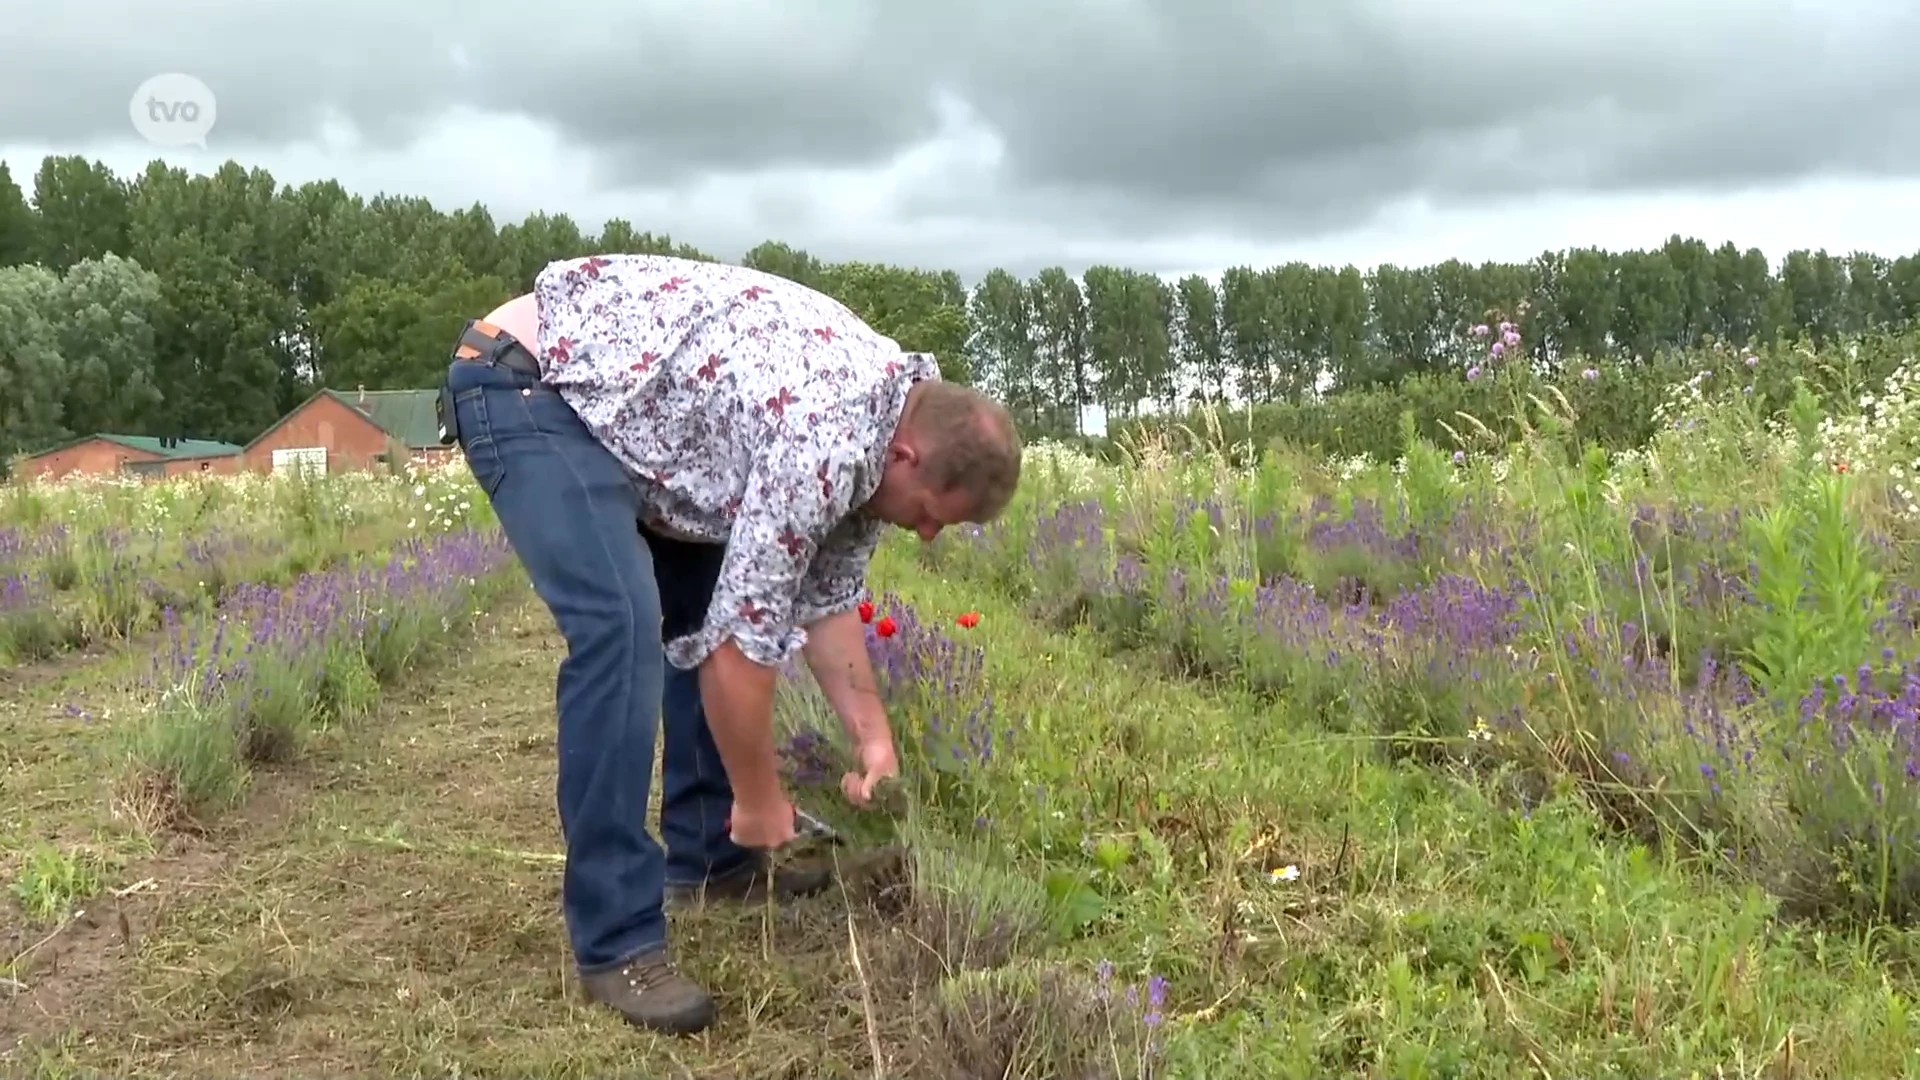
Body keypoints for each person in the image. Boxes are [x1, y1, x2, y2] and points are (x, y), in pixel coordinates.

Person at [436, 253, 1022, 1035]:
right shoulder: (831, 433)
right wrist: (760, 797)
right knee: (622, 625)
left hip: (633, 408)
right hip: (537, 384)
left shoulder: (887, 423)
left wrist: (873, 739)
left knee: (711, 598)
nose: (923, 533)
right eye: (930, 514)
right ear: (907, 458)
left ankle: (711, 863)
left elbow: (827, 601)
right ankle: (617, 942)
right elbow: (739, 652)